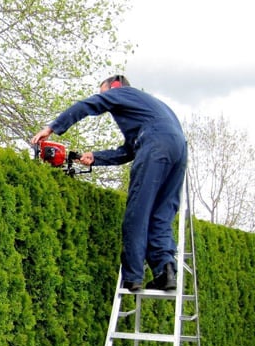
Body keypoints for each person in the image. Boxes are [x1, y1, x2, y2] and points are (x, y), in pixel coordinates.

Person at [31, 75, 187, 292]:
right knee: (161, 214)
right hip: (178, 149)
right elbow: (129, 151)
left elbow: (87, 105)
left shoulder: (121, 92)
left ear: (113, 87)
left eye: (105, 93)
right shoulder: (153, 107)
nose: (107, 102)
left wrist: (52, 128)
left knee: (138, 212)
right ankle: (165, 271)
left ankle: (133, 277)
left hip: (155, 145)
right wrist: (95, 157)